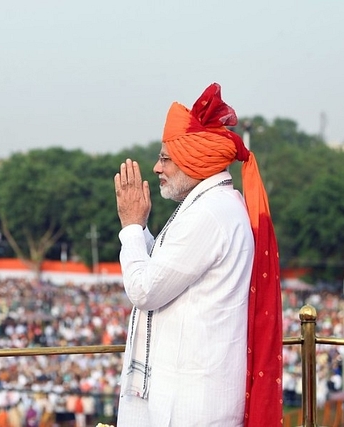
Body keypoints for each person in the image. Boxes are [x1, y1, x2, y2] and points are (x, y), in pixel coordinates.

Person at [113, 83, 282, 426]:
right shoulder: (210, 205)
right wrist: (142, 228)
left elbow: (145, 290)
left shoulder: (209, 214)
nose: (157, 168)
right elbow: (165, 271)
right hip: (190, 399)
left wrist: (130, 226)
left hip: (190, 406)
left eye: (165, 158)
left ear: (195, 159)